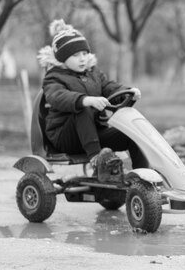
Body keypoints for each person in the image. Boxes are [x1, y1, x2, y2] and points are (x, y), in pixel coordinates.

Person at [36, 19, 147, 177]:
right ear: (62, 58)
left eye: (84, 53)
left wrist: (128, 91)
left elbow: (108, 87)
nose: (82, 58)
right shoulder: (53, 77)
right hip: (66, 137)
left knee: (133, 136)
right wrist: (85, 100)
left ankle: (143, 177)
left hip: (95, 132)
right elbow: (57, 97)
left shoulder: (93, 73)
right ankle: (97, 160)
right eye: (75, 55)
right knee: (83, 107)